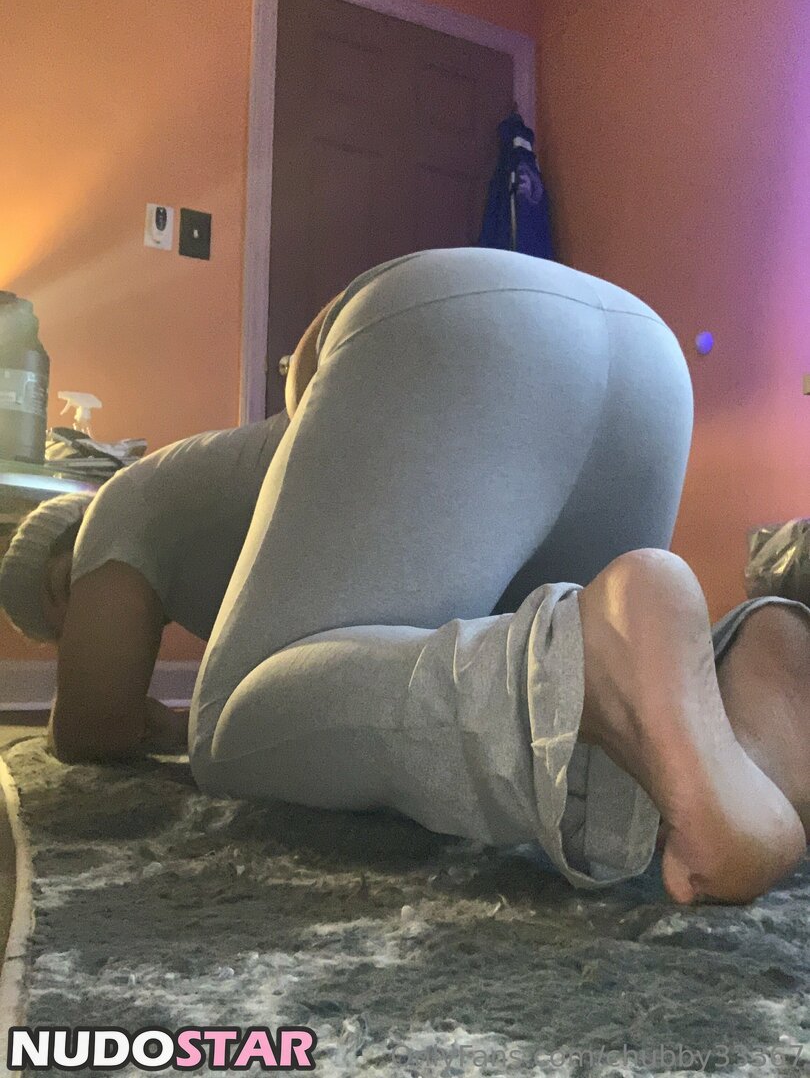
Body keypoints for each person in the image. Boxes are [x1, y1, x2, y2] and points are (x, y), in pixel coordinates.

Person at [1, 248, 807, 907]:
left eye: (58, 613)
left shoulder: (117, 502)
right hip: (646, 358)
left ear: (63, 567)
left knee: (231, 729)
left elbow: (90, 727)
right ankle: (748, 704)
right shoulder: (226, 475)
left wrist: (136, 705)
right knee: (617, 734)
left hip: (451, 331)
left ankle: (593, 658)